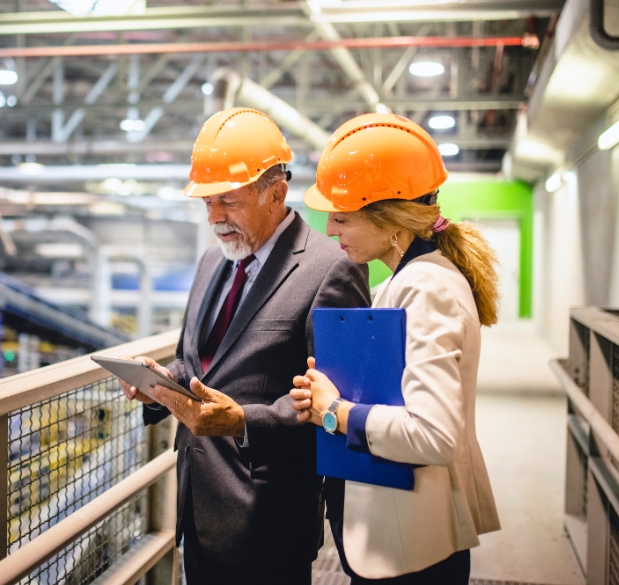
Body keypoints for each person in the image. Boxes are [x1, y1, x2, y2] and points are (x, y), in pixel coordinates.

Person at [116, 107, 370, 584]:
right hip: (197, 507)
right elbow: (200, 365)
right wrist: (164, 384)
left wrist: (241, 422)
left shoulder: (331, 268)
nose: (214, 217)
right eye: (207, 203)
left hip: (267, 518)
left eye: (227, 201)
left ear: (275, 193)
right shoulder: (213, 261)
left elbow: (340, 408)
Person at [290, 113, 501, 584]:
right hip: (404, 534)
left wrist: (335, 411)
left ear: (389, 220)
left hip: (412, 550)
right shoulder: (413, 279)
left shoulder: (426, 288)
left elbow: (434, 435)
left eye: (341, 217)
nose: (328, 229)